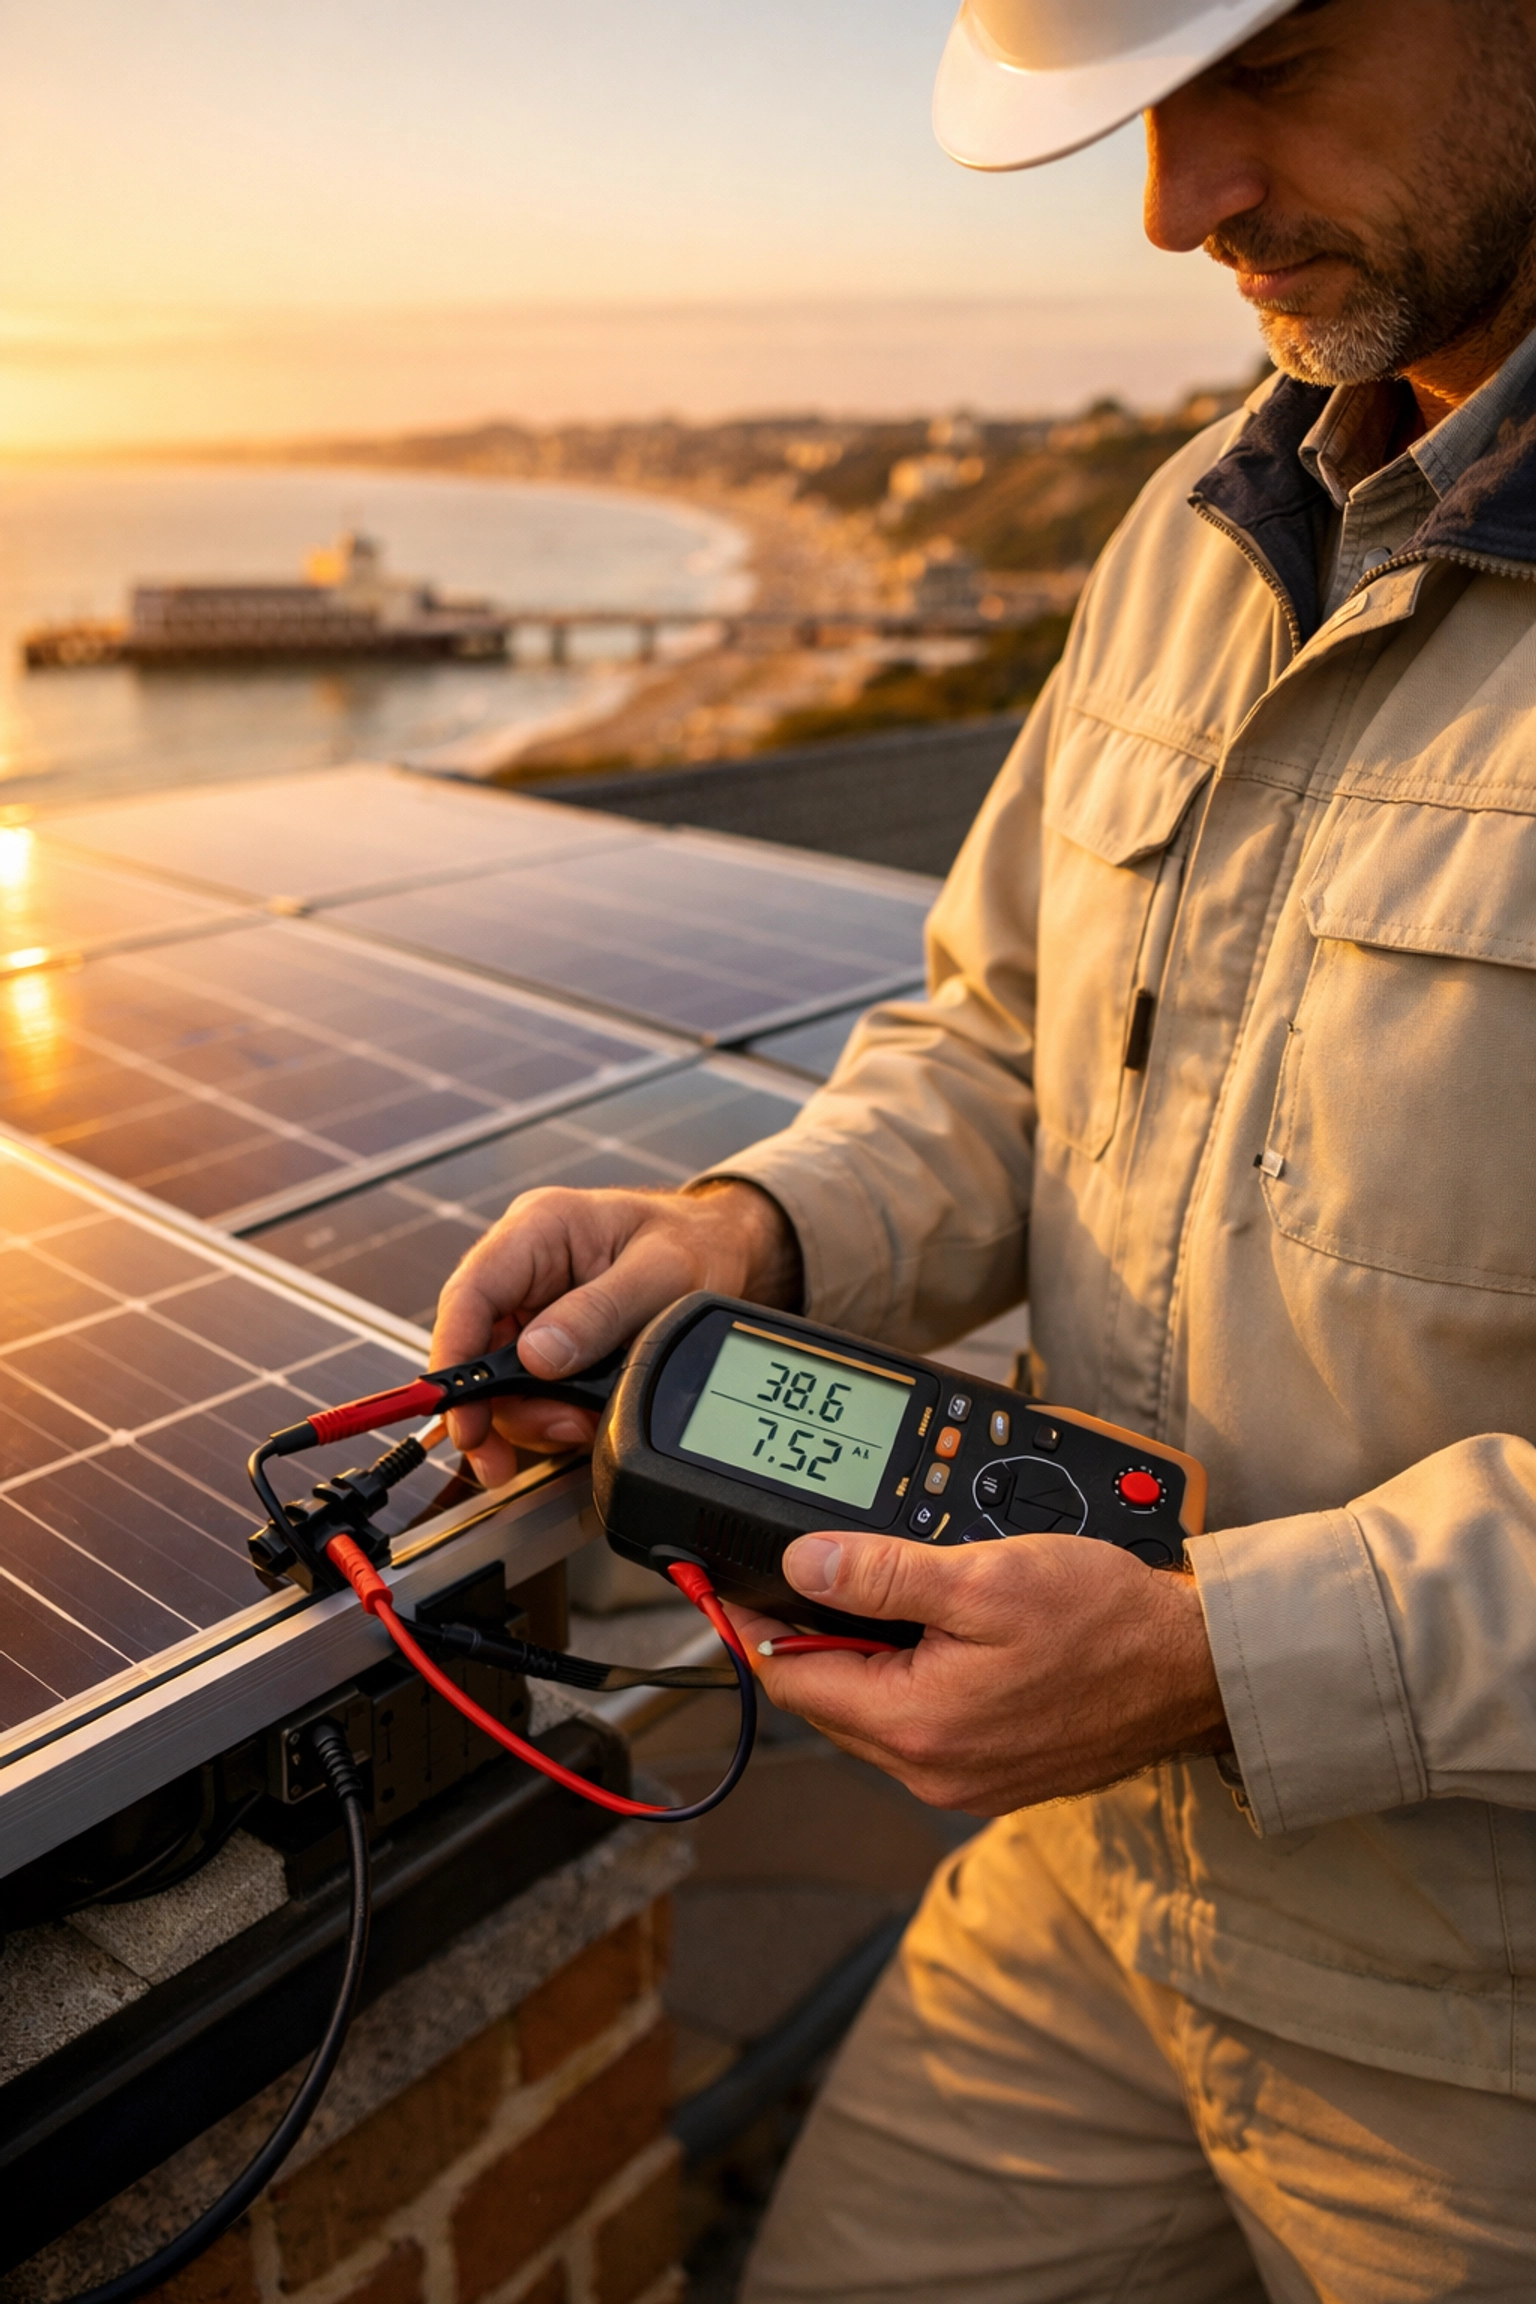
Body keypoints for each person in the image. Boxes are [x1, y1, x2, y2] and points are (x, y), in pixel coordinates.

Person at [433, 1, 1536, 2292]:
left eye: (1278, 61)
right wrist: (750, 1231)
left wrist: (1233, 1656)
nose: (1177, 201)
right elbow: (1000, 1046)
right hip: (1097, 1874)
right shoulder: (1195, 533)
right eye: (1145, 106)